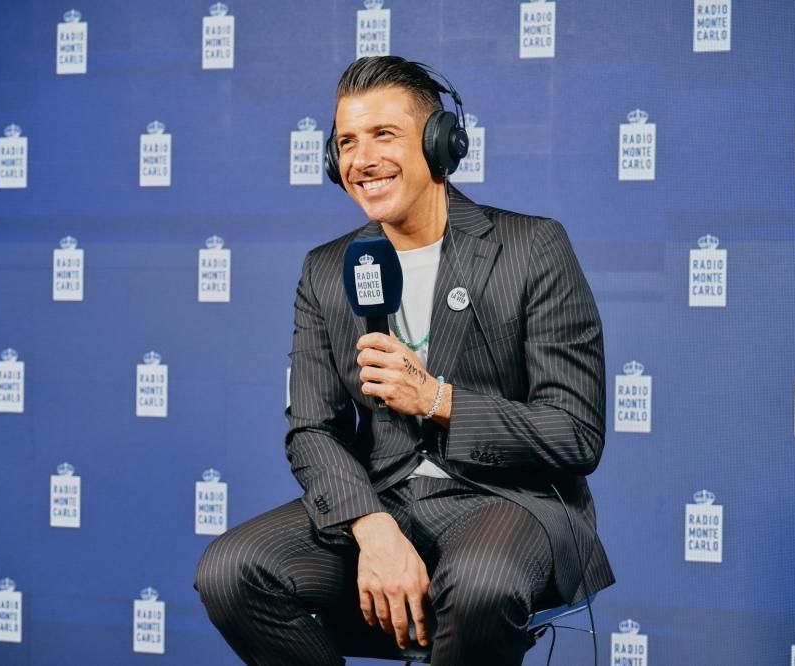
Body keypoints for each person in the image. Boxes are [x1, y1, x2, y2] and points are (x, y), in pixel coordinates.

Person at [195, 56, 614, 665]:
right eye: (346, 142)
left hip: (511, 502)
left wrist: (438, 400)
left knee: (479, 585)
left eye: (383, 135)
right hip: (384, 500)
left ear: (439, 143)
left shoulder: (531, 247)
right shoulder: (327, 270)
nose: (362, 159)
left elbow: (575, 432)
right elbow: (312, 429)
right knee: (232, 570)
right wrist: (371, 526)